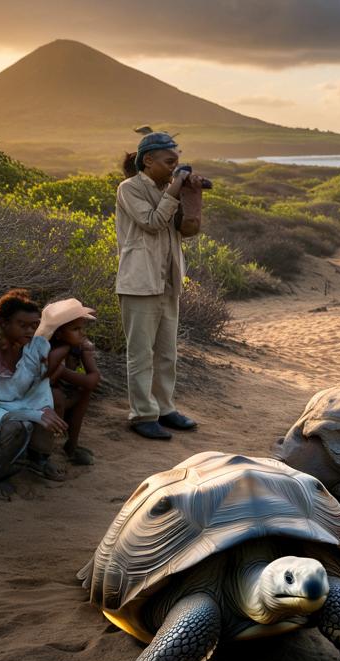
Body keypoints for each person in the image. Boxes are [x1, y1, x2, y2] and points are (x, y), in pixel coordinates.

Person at [115, 131, 205, 440]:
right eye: (170, 162)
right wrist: (177, 188)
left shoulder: (172, 188)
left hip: (168, 281)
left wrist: (192, 195)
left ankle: (165, 409)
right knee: (140, 353)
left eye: (178, 163)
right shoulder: (129, 189)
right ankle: (142, 414)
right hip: (139, 282)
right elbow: (151, 222)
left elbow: (187, 230)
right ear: (148, 160)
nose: (174, 168)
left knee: (167, 353)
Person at [0, 288, 69, 500]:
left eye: (33, 325)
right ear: (2, 323)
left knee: (52, 402)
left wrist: (41, 409)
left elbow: (39, 387)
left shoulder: (36, 347)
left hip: (22, 405)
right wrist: (31, 414)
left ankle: (39, 459)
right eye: (22, 325)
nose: (29, 331)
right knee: (17, 426)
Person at [38, 298, 102, 466]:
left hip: (61, 399)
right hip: (39, 402)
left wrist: (83, 355)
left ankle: (72, 445)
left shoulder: (77, 347)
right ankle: (44, 454)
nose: (82, 333)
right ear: (58, 333)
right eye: (75, 329)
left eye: (82, 328)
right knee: (57, 395)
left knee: (83, 391)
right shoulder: (46, 350)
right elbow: (44, 383)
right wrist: (63, 365)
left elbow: (93, 380)